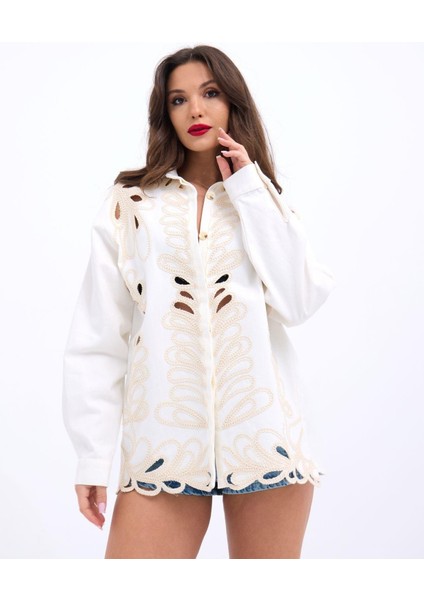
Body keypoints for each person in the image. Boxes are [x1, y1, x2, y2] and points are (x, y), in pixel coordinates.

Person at [62, 44, 336, 559]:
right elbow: (98, 338)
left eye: (210, 93)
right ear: (164, 113)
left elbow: (299, 301)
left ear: (233, 102)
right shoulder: (132, 204)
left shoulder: (263, 199)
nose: (195, 109)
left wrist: (249, 188)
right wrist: (92, 457)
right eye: (178, 99)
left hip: (267, 442)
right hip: (163, 447)